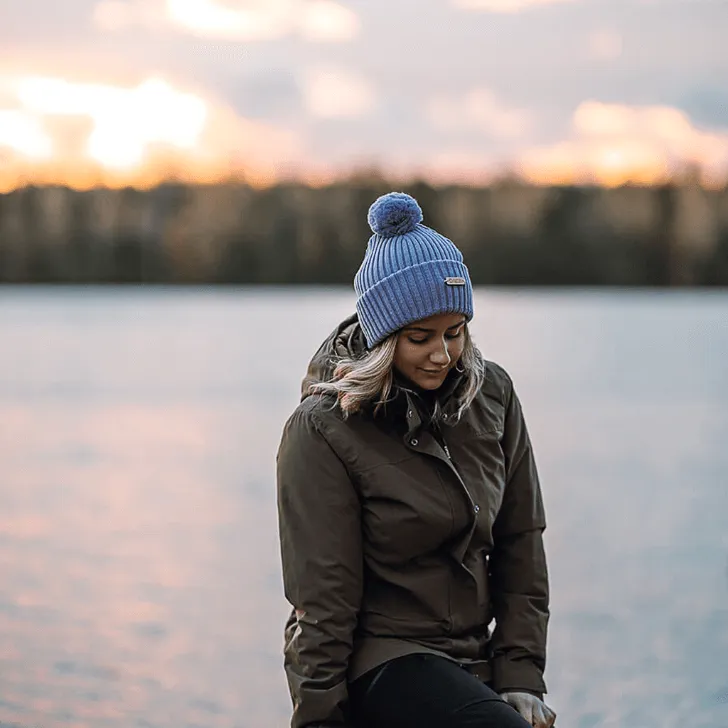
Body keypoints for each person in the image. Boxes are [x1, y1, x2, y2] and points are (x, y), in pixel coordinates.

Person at [276, 192, 556, 728]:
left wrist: (520, 674)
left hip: (473, 658)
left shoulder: (492, 396)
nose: (441, 354)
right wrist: (318, 719)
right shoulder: (323, 430)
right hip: (383, 659)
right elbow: (321, 603)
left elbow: (522, 541)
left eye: (455, 333)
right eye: (419, 338)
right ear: (383, 337)